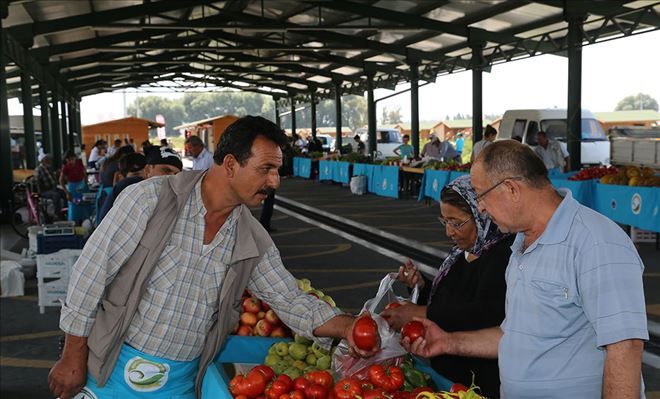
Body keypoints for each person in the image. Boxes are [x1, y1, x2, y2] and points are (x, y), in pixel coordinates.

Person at [49, 116, 379, 399]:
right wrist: (71, 356)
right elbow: (91, 274)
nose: (274, 182)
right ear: (232, 165)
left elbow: (289, 298)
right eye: (266, 169)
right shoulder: (151, 199)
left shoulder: (252, 238)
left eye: (277, 171)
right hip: (109, 370)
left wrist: (348, 327)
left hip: (180, 383)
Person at [403, 140, 648, 398]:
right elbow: (514, 335)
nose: (481, 208)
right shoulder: (520, 244)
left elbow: (625, 347)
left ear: (511, 189)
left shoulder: (595, 242)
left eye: (480, 195)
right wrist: (448, 342)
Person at [382, 176, 512, 398]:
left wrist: (420, 312)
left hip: (478, 382)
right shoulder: (464, 251)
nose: (449, 232)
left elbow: (486, 313)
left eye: (456, 222)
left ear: (482, 214)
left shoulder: (503, 255)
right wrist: (422, 286)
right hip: (447, 375)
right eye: (445, 221)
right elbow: (454, 301)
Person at [96, 153, 147, 223]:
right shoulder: (120, 192)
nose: (143, 179)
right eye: (136, 175)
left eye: (146, 175)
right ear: (122, 177)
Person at [34, 153, 65, 220]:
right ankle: (57, 214)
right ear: (42, 161)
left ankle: (64, 211)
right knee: (56, 195)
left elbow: (54, 180)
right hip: (44, 191)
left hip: (53, 188)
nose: (49, 161)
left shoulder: (49, 169)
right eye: (46, 160)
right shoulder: (38, 169)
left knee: (65, 193)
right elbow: (36, 181)